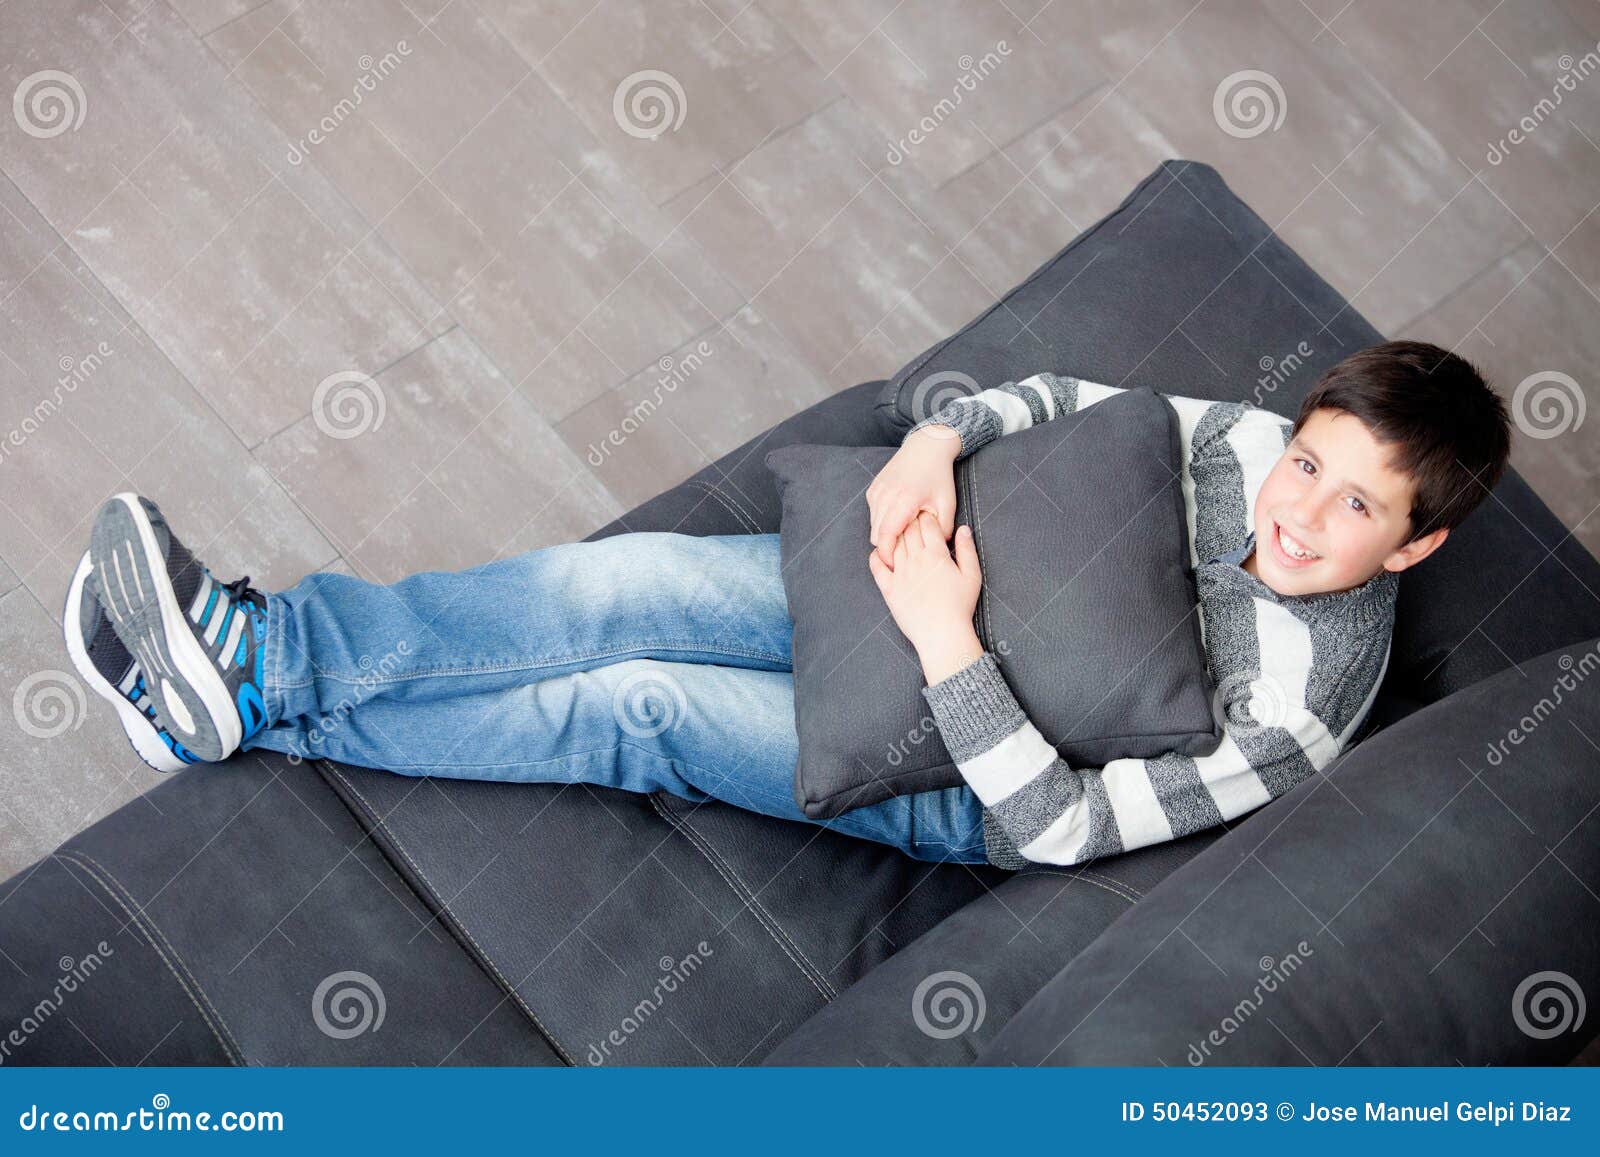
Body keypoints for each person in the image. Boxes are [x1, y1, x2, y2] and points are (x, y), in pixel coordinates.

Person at [62, 340, 1511, 869]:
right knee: (616, 581)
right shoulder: (1264, 443)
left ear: (1414, 546)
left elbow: (1061, 830)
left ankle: (233, 700)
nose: (1298, 510)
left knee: (638, 707)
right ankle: (259, 663)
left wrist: (949, 639)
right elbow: (1077, 403)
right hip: (922, 578)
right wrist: (942, 445)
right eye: (1312, 460)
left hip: (957, 769)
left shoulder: (1299, 710)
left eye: (1354, 508)